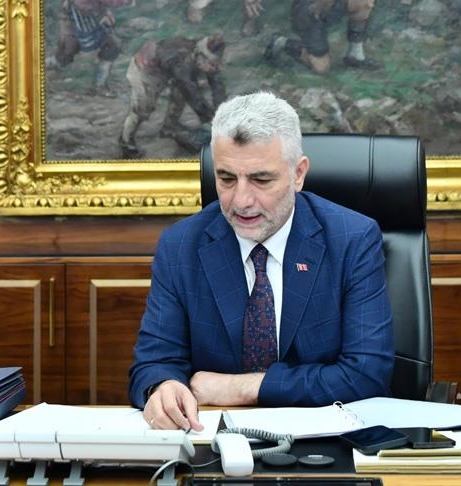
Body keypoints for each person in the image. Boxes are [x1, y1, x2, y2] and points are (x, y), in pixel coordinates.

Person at [129, 91, 394, 431]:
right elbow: (152, 364)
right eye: (227, 179)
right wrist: (162, 387)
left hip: (326, 443)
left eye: (261, 179)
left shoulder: (351, 240)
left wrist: (243, 388)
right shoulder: (180, 246)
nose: (241, 200)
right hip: (211, 441)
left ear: (298, 174)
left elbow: (366, 375)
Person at [119, 34, 226, 158]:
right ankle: (126, 141)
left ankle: (169, 126)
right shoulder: (182, 59)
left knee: (179, 95)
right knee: (143, 108)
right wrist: (210, 119)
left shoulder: (203, 58)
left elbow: (217, 86)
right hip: (145, 70)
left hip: (169, 70)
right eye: (211, 64)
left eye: (215, 64)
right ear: (199, 56)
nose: (213, 68)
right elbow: (192, 94)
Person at [263, 0, 380, 74]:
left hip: (331, 6)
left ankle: (355, 54)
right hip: (309, 11)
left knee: (365, 2)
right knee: (321, 68)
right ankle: (281, 42)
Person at [50, 0, 133, 96]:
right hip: (83, 17)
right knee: (69, 50)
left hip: (89, 15)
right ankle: (46, 66)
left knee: (112, 45)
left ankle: (99, 84)